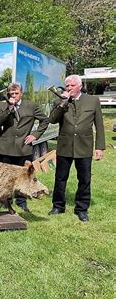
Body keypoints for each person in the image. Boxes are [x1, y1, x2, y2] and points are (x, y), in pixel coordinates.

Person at [48, 75, 105, 222]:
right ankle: (58, 206)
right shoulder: (60, 101)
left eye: (72, 86)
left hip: (84, 147)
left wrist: (99, 147)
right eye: (67, 86)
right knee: (60, 178)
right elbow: (52, 119)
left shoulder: (92, 101)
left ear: (79, 86)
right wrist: (62, 103)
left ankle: (81, 209)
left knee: (84, 179)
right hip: (65, 146)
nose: (69, 88)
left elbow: (99, 125)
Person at [0, 82, 49, 212]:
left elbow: (45, 120)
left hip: (23, 147)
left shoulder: (31, 105)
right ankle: (5, 200)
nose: (14, 96)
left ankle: (22, 201)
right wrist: (8, 109)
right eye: (11, 94)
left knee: (24, 176)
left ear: (21, 94)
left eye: (16, 93)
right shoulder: (4, 106)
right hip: (6, 148)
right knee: (6, 176)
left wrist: (35, 135)